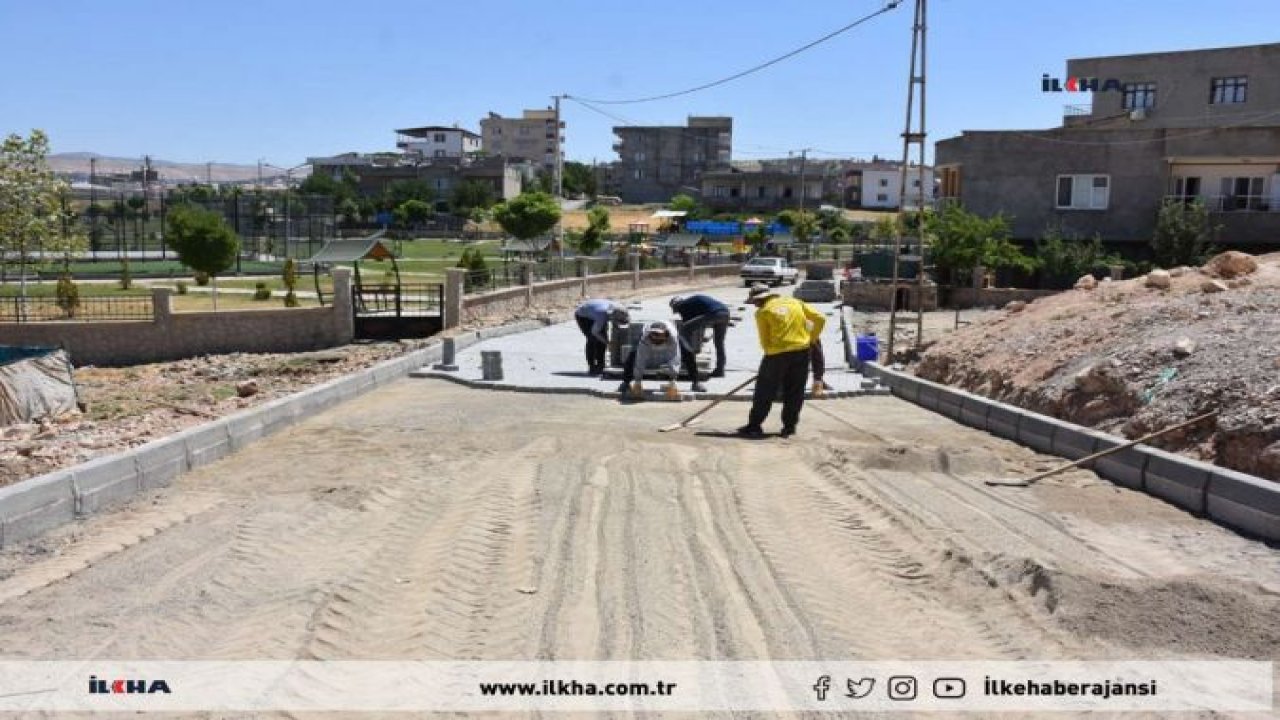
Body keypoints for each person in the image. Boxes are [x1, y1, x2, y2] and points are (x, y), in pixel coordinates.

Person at [738, 283, 825, 438]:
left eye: (754, 302)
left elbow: (764, 340)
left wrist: (770, 356)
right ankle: (789, 427)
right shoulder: (795, 302)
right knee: (795, 391)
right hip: (802, 352)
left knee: (764, 391)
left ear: (758, 300)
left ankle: (754, 426)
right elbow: (820, 318)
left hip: (776, 355)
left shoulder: (763, 312)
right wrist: (810, 338)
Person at [616, 319, 706, 395]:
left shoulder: (672, 337)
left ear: (665, 333)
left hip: (672, 333)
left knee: (688, 352)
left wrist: (673, 379)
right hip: (644, 336)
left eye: (659, 335)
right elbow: (641, 359)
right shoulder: (645, 337)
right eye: (654, 335)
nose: (656, 338)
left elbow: (675, 357)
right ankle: (626, 382)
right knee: (633, 354)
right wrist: (637, 381)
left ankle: (696, 382)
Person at [669, 294, 731, 378]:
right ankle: (720, 370)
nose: (679, 312)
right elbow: (700, 322)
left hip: (714, 314)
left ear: (676, 305)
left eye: (676, 310)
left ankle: (688, 358)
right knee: (719, 343)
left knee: (684, 330)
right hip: (725, 313)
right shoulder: (692, 302)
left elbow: (687, 324)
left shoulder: (683, 306)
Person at [574, 299, 628, 375]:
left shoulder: (621, 309)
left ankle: (600, 365)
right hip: (583, 315)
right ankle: (592, 367)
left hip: (594, 310)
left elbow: (623, 323)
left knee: (602, 338)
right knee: (592, 339)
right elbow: (595, 332)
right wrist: (608, 343)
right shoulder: (601, 317)